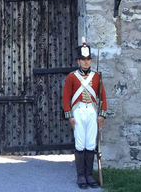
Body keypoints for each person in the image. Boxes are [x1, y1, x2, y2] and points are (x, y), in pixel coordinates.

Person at [62, 38, 107, 189]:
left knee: (90, 144)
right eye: (83, 59)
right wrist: (69, 116)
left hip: (92, 113)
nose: (86, 62)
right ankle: (80, 175)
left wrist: (102, 115)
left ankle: (89, 175)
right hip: (79, 113)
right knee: (80, 144)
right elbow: (66, 97)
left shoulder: (97, 77)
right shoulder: (72, 77)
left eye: (88, 59)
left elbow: (102, 97)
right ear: (78, 61)